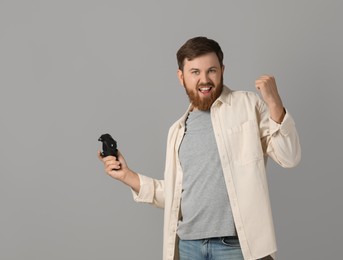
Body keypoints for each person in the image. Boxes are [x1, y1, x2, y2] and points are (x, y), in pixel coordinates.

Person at [98, 36, 301, 260]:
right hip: (188, 247)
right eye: (195, 72)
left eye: (211, 70)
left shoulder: (247, 105)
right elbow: (177, 196)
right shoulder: (177, 131)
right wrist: (127, 176)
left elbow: (288, 156)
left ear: (222, 70)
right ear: (181, 77)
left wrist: (274, 103)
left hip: (235, 247)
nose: (204, 80)